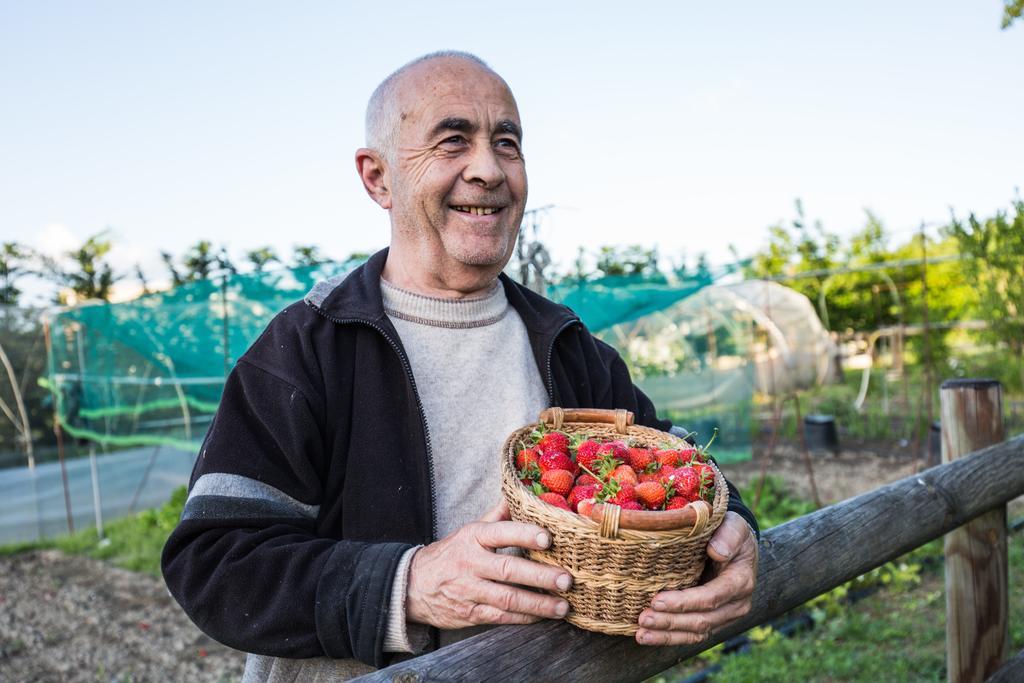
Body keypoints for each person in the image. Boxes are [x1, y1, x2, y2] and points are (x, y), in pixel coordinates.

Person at [161, 51, 759, 681]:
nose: (488, 170)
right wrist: (409, 582)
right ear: (377, 178)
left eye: (507, 143)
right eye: (453, 142)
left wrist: (736, 538)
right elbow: (215, 560)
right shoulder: (308, 347)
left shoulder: (566, 345)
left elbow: (680, 469)